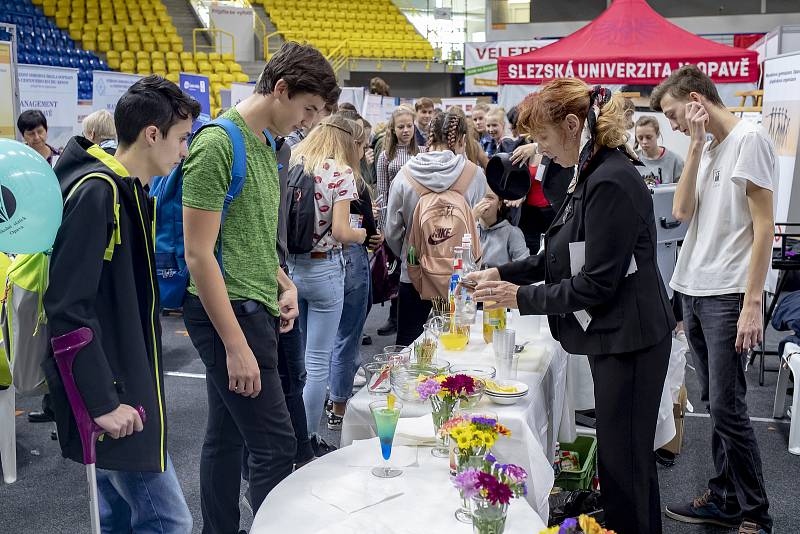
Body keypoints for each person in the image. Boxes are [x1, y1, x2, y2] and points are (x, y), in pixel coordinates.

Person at [466, 79, 675, 534]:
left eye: (543, 138)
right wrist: (503, 274)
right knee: (623, 465)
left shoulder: (611, 179)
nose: (540, 150)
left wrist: (519, 298)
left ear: (573, 124)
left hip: (631, 340)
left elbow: (596, 283)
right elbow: (556, 255)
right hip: (617, 336)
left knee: (627, 468)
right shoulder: (592, 171)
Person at [181, 42, 339, 534]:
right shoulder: (218, 144)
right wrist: (234, 344)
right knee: (276, 444)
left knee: (225, 438)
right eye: (307, 109)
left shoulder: (270, 144)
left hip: (256, 306)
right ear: (281, 89)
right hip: (228, 315)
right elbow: (198, 254)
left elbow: (249, 238)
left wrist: (284, 283)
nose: (308, 122)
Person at [44, 75, 197, 533]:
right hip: (115, 394)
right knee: (169, 522)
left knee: (119, 519)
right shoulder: (100, 192)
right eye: (182, 138)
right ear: (153, 134)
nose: (185, 151)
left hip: (121, 383)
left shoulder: (120, 188)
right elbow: (68, 305)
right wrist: (101, 401)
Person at [652, 65, 775, 534]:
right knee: (717, 402)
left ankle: (755, 513)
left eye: (673, 113)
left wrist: (752, 302)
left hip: (728, 294)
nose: (675, 125)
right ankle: (725, 498)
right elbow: (681, 213)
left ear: (696, 97)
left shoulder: (751, 140)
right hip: (694, 289)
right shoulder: (707, 146)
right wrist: (697, 145)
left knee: (728, 406)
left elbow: (764, 226)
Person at [288, 115, 368, 439]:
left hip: (290, 269)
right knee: (318, 362)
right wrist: (361, 234)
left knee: (297, 363)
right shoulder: (341, 173)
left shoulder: (293, 163)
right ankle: (307, 440)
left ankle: (291, 436)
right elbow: (341, 230)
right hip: (325, 268)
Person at [385, 109, 487, 346]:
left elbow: (391, 230)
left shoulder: (405, 175)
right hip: (461, 275)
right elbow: (475, 223)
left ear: (429, 137)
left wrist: (409, 252)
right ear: (462, 139)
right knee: (460, 342)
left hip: (415, 274)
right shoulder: (474, 174)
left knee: (409, 344)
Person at [326, 112, 383, 429]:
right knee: (347, 336)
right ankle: (339, 405)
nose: (364, 152)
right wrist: (366, 234)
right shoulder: (350, 178)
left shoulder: (309, 168)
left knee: (321, 341)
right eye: (362, 145)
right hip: (349, 256)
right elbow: (357, 231)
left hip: (312, 262)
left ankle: (328, 397)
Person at [375, 106, 419, 337]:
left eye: (409, 126)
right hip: (393, 221)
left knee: (411, 268)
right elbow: (381, 191)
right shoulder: (385, 156)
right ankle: (393, 316)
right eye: (400, 126)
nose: (405, 130)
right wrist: (382, 226)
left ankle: (411, 315)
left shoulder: (420, 153)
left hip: (414, 220)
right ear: (392, 129)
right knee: (393, 271)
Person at [473, 190, 529, 268]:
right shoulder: (469, 229)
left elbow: (524, 268)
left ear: (499, 204)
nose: (483, 201)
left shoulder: (512, 233)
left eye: (490, 197)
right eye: (479, 196)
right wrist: (471, 220)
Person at [634, 115, 685, 185]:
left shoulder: (675, 161)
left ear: (657, 134)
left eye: (649, 137)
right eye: (640, 138)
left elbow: (683, 190)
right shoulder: (633, 160)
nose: (644, 142)